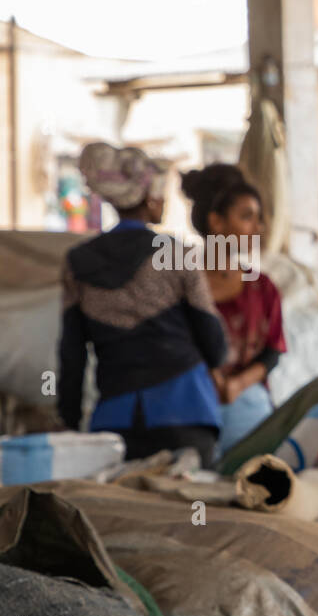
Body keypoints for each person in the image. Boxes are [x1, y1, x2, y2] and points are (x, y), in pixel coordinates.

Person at [58, 142, 226, 465]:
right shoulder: (175, 253)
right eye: (161, 194)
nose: (163, 201)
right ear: (148, 198)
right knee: (188, 508)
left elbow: (71, 354)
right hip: (185, 412)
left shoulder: (77, 262)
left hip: (116, 421)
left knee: (124, 512)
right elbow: (215, 346)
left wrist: (70, 422)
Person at [180, 164, 286, 459]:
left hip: (247, 401)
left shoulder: (263, 288)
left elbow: (273, 351)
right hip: (190, 402)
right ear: (216, 222)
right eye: (247, 216)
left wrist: (236, 385)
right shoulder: (179, 285)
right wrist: (212, 379)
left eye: (258, 218)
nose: (258, 227)